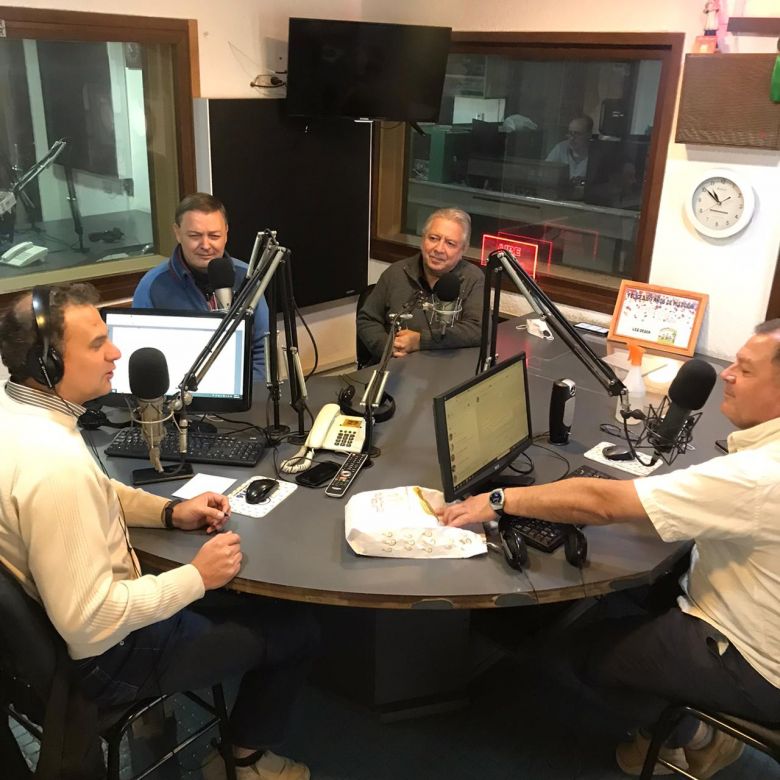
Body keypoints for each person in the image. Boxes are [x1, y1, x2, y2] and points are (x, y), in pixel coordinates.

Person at [0, 283, 317, 780]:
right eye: (96, 343)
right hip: (108, 656)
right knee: (297, 627)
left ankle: (173, 727)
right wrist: (197, 576)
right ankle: (245, 763)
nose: (116, 352)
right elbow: (89, 625)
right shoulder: (53, 466)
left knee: (251, 604)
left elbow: (98, 492)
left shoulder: (17, 416)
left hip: (48, 645)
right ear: (49, 363)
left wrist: (171, 512)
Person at [439, 320, 780, 777]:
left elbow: (601, 504)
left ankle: (694, 739)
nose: (728, 375)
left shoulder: (760, 475)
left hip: (751, 663)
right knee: (638, 583)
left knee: (573, 652)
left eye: (746, 370)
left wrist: (498, 499)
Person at [133, 193, 270, 379]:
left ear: (226, 234)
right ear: (177, 233)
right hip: (178, 398)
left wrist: (252, 400)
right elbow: (143, 356)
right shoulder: (151, 286)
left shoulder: (247, 278)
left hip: (242, 398)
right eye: (195, 236)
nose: (205, 245)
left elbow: (262, 348)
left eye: (214, 236)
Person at [356, 208, 484, 363]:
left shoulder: (473, 279)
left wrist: (421, 341)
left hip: (446, 370)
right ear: (423, 240)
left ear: (463, 249)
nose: (439, 249)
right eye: (433, 238)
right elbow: (367, 319)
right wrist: (389, 347)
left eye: (450, 243)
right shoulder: (396, 273)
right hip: (396, 366)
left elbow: (479, 329)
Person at [545, 115, 594, 180]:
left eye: (577, 134)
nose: (572, 138)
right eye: (570, 133)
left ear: (589, 135)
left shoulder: (598, 155)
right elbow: (545, 172)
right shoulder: (560, 148)